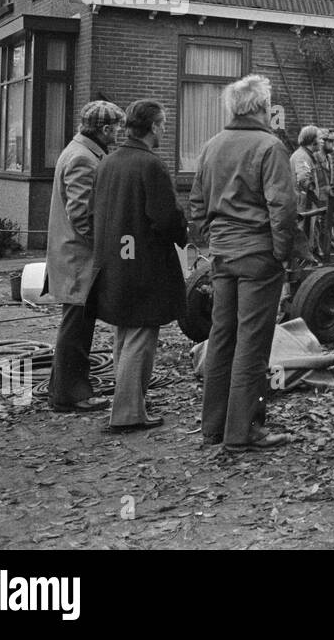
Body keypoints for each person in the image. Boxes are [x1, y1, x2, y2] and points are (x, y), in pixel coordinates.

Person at [189, 74, 300, 453]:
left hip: (223, 254)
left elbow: (197, 205)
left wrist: (213, 240)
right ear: (260, 108)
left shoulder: (211, 146)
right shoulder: (270, 147)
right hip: (258, 254)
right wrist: (282, 253)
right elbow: (282, 208)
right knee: (252, 343)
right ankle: (243, 431)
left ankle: (214, 425)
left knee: (222, 337)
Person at [88, 100, 187, 431]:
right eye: (163, 124)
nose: (164, 130)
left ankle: (128, 403)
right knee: (142, 334)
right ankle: (129, 412)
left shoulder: (107, 163)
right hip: (145, 264)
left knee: (125, 332)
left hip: (114, 261)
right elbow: (166, 219)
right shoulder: (150, 166)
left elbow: (92, 214)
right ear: (155, 127)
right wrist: (182, 232)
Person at [46, 100, 124, 413]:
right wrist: (106, 247)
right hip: (80, 260)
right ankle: (71, 395)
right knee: (76, 329)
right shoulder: (83, 158)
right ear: (104, 129)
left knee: (76, 326)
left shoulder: (80, 151)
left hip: (75, 258)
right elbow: (81, 215)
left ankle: (63, 390)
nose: (118, 132)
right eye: (116, 127)